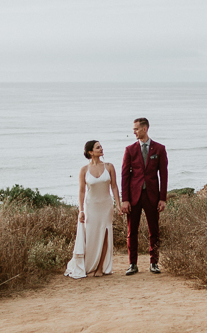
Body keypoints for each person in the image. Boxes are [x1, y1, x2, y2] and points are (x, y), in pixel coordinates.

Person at [65, 140, 120, 279]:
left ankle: (101, 267)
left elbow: (114, 186)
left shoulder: (109, 167)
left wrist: (118, 204)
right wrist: (81, 210)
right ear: (90, 152)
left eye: (101, 146)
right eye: (98, 147)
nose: (101, 148)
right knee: (91, 236)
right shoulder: (84, 170)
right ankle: (90, 265)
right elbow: (82, 191)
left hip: (106, 205)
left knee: (105, 233)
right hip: (91, 206)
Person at [120, 117, 168, 275]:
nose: (133, 132)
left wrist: (163, 198)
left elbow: (164, 175)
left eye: (136, 129)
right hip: (134, 197)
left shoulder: (159, 149)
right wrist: (125, 200)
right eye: (133, 129)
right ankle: (132, 264)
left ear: (145, 129)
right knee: (131, 231)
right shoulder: (130, 150)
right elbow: (125, 176)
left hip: (152, 196)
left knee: (154, 231)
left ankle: (154, 263)